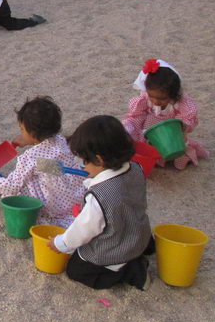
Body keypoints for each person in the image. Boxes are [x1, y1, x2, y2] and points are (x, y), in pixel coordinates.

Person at [48, 115, 154, 290]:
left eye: (85, 161)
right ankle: (137, 256)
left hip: (115, 248)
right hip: (139, 235)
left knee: (76, 270)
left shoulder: (99, 196)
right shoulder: (137, 169)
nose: (83, 166)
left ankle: (130, 270)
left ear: (99, 160)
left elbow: (84, 229)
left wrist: (61, 243)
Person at [0, 96, 86, 226]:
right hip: (73, 201)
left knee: (14, 191)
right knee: (42, 173)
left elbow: (13, 186)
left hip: (51, 207)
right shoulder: (62, 142)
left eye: (22, 130)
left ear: (33, 133)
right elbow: (47, 163)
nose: (21, 132)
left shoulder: (30, 158)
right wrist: (31, 141)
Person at [121, 58, 208, 170]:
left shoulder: (180, 102)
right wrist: (128, 127)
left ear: (173, 93)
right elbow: (137, 116)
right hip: (151, 131)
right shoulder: (145, 99)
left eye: (162, 99)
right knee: (138, 140)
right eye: (152, 96)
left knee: (178, 150)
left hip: (171, 132)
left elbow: (188, 116)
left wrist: (184, 125)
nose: (156, 101)